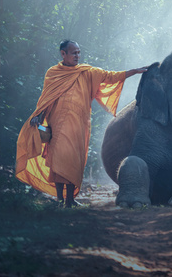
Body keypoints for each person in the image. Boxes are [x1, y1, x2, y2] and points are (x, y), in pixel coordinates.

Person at [15, 40, 147, 207]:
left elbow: (110, 76)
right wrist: (39, 116)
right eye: (73, 53)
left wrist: (134, 71)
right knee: (58, 160)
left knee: (74, 161)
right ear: (63, 54)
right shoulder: (53, 73)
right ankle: (60, 199)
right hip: (57, 123)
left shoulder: (87, 72)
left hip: (79, 124)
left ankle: (70, 199)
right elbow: (46, 98)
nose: (77, 56)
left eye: (78, 52)